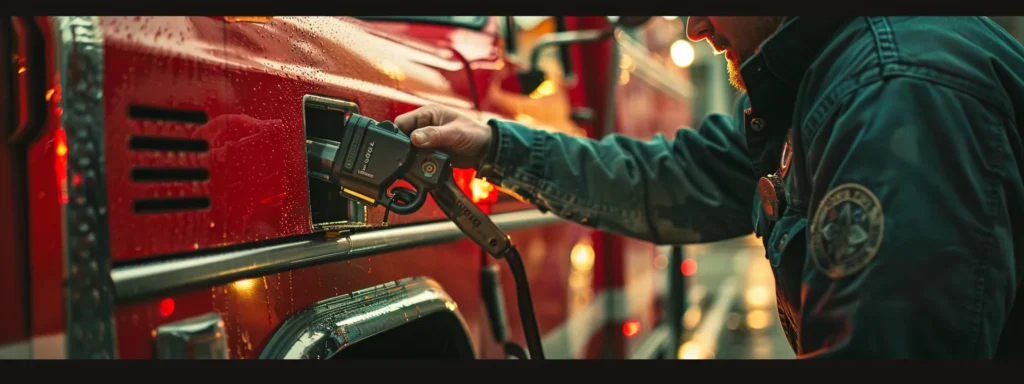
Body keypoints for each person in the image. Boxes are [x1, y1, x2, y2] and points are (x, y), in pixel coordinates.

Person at [395, 16, 1024, 358]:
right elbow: (671, 179)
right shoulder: (830, 83)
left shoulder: (895, 90)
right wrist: (498, 146)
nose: (694, 26)